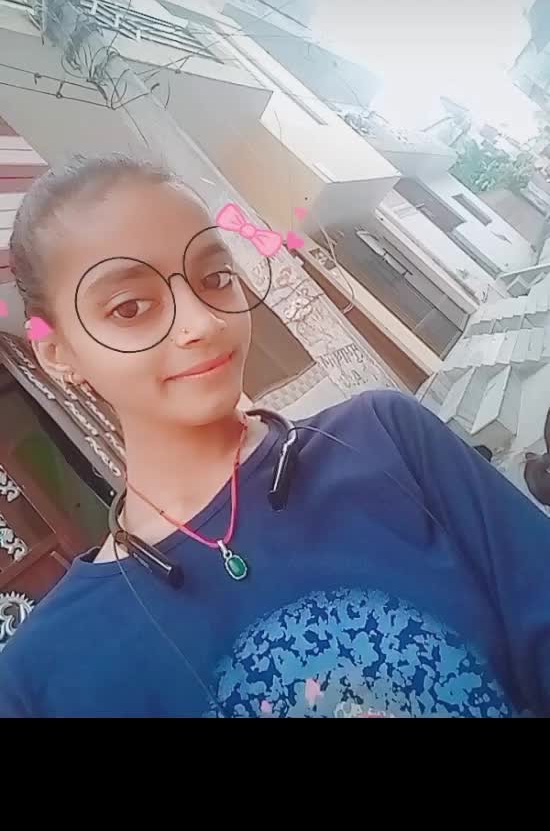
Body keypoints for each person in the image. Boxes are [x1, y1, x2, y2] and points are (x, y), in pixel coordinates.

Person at [1, 155, 549, 719]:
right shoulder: (40, 683)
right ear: (58, 353)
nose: (203, 322)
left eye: (215, 278)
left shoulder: (388, 442)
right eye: (131, 307)